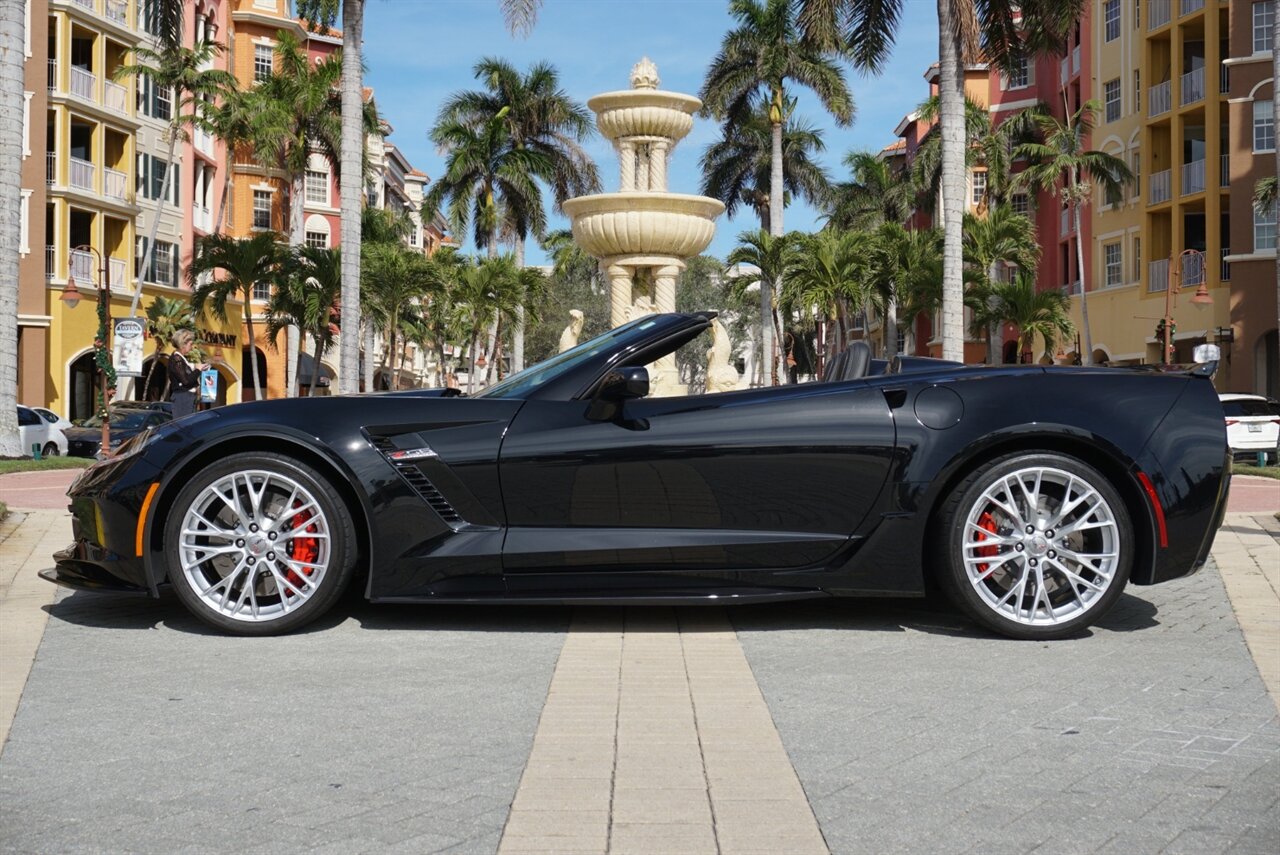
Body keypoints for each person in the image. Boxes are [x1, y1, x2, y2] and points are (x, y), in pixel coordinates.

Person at [168, 330, 209, 418]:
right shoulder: (176, 359)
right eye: (190, 344)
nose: (191, 347)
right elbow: (186, 381)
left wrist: (199, 368)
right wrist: (198, 369)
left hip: (187, 398)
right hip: (182, 399)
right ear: (183, 344)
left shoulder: (182, 359)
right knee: (184, 427)